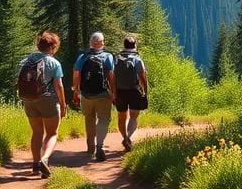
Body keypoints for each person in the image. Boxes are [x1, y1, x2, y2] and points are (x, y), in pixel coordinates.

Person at [18, 31, 67, 178]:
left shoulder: (26, 61)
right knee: (52, 133)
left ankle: (35, 164)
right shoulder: (54, 63)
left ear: (39, 45)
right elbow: (58, 85)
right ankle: (44, 159)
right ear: (52, 47)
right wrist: (63, 105)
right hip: (48, 100)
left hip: (29, 100)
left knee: (37, 132)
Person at [72, 32, 115, 161]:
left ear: (91, 43)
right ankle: (100, 145)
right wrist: (113, 92)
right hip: (103, 94)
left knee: (89, 119)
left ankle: (90, 147)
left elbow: (76, 74)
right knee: (103, 119)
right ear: (102, 43)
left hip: (86, 95)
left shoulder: (82, 57)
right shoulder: (108, 56)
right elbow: (111, 76)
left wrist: (76, 91)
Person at [114, 35, 148, 152]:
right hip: (134, 91)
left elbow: (112, 77)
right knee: (133, 117)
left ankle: (125, 137)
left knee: (121, 118)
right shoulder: (137, 59)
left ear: (124, 45)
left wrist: (113, 92)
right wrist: (145, 92)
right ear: (135, 45)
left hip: (120, 91)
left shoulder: (117, 59)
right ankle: (128, 137)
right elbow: (143, 78)